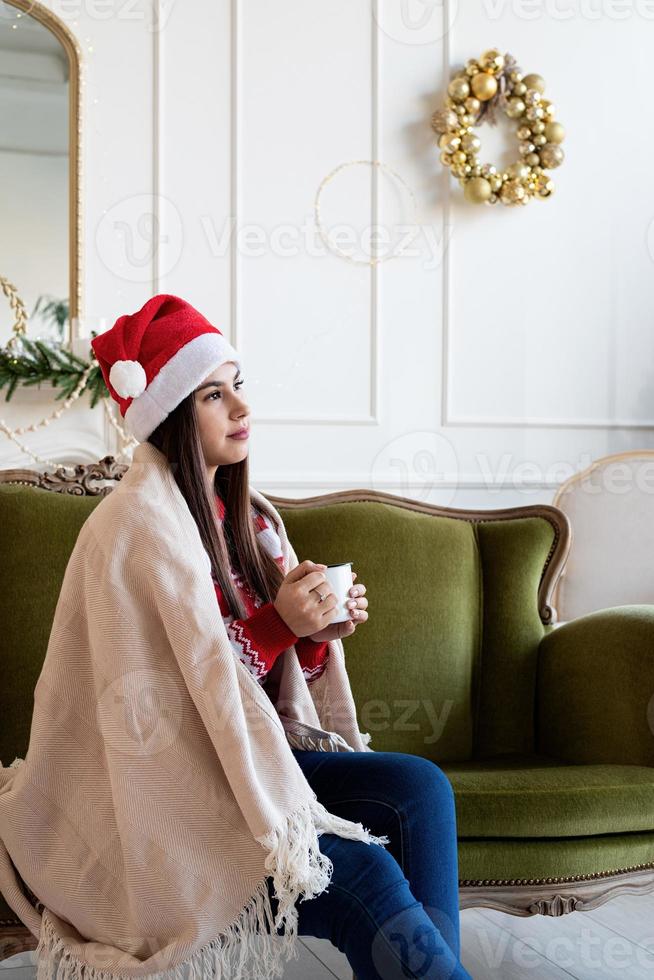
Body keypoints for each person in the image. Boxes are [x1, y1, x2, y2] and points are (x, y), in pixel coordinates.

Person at [138, 297, 472, 980]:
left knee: (420, 786)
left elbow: (266, 682)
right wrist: (281, 623)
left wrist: (314, 634)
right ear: (172, 414)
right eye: (213, 393)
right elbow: (172, 694)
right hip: (186, 786)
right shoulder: (140, 529)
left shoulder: (251, 521)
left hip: (262, 762)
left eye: (240, 385)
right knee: (362, 871)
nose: (240, 406)